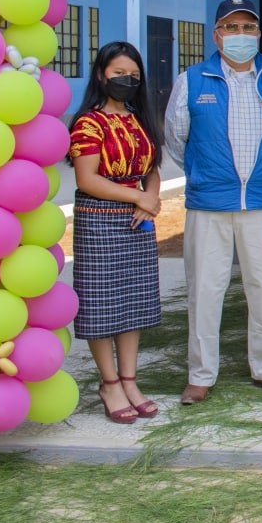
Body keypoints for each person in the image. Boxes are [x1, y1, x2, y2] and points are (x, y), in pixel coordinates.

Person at [165, 0, 262, 405]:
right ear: (217, 34)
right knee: (205, 290)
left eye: (248, 27)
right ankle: (201, 375)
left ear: (259, 33)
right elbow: (176, 139)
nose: (241, 35)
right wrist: (206, 173)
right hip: (209, 204)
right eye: (232, 27)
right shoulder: (192, 80)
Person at [69, 42, 164, 424]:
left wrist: (150, 197)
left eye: (134, 75)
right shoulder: (89, 123)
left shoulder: (140, 119)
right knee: (102, 303)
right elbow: (87, 179)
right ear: (101, 75)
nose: (127, 80)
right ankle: (109, 383)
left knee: (132, 303)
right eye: (119, 73)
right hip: (99, 219)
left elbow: (153, 168)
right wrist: (138, 196)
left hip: (137, 221)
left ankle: (129, 380)